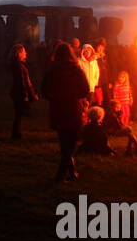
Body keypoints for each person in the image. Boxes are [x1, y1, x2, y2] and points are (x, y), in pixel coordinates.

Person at [41, 41, 90, 181]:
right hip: (73, 108)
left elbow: (44, 90)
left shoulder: (51, 70)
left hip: (58, 109)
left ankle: (72, 173)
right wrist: (75, 96)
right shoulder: (76, 69)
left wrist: (54, 97)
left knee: (64, 142)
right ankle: (61, 174)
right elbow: (85, 89)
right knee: (71, 143)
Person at [7, 43, 38, 139]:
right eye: (24, 52)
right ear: (19, 53)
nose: (26, 53)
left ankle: (17, 132)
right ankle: (16, 133)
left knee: (18, 114)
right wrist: (25, 96)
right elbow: (21, 82)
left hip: (16, 92)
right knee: (19, 114)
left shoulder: (16, 65)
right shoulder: (19, 67)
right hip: (19, 93)